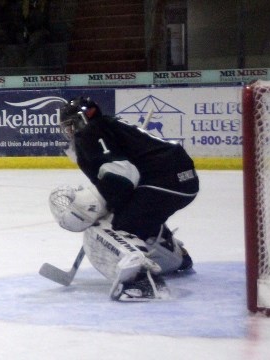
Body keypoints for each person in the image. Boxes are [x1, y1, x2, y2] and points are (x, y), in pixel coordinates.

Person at [49, 96, 199, 301]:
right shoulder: (106, 125)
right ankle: (177, 257)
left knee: (115, 228)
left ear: (81, 120)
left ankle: (140, 282)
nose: (69, 131)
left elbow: (123, 178)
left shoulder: (90, 133)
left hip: (164, 180)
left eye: (70, 125)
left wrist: (103, 205)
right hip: (183, 180)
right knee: (134, 218)